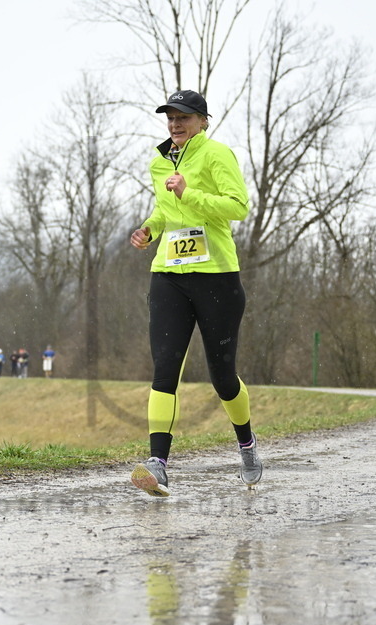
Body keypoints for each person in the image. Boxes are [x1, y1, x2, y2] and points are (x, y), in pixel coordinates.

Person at [127, 89, 261, 497]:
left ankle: (247, 445)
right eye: (170, 116)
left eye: (184, 116)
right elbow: (167, 212)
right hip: (168, 273)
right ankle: (158, 465)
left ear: (204, 120)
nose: (175, 123)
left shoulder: (217, 154)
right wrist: (150, 229)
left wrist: (190, 193)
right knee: (165, 369)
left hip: (216, 276)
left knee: (222, 375)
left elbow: (238, 206)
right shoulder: (158, 161)